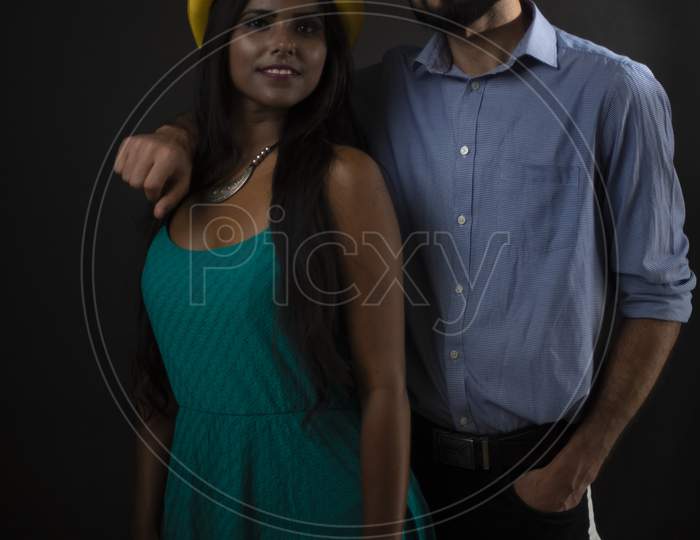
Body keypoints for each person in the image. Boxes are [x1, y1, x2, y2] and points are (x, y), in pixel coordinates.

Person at [117, 1, 696, 539]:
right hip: (404, 464)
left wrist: (577, 465)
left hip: (538, 473)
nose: (284, 42)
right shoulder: (379, 92)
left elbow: (660, 292)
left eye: (307, 27)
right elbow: (261, 114)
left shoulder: (612, 89)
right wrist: (180, 133)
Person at [125, 0, 436, 539]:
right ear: (223, 39)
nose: (285, 41)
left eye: (308, 27)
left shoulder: (344, 177)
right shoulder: (179, 175)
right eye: (259, 22)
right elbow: (159, 391)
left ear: (328, 54)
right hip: (200, 503)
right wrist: (143, 526)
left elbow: (384, 388)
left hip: (320, 501)